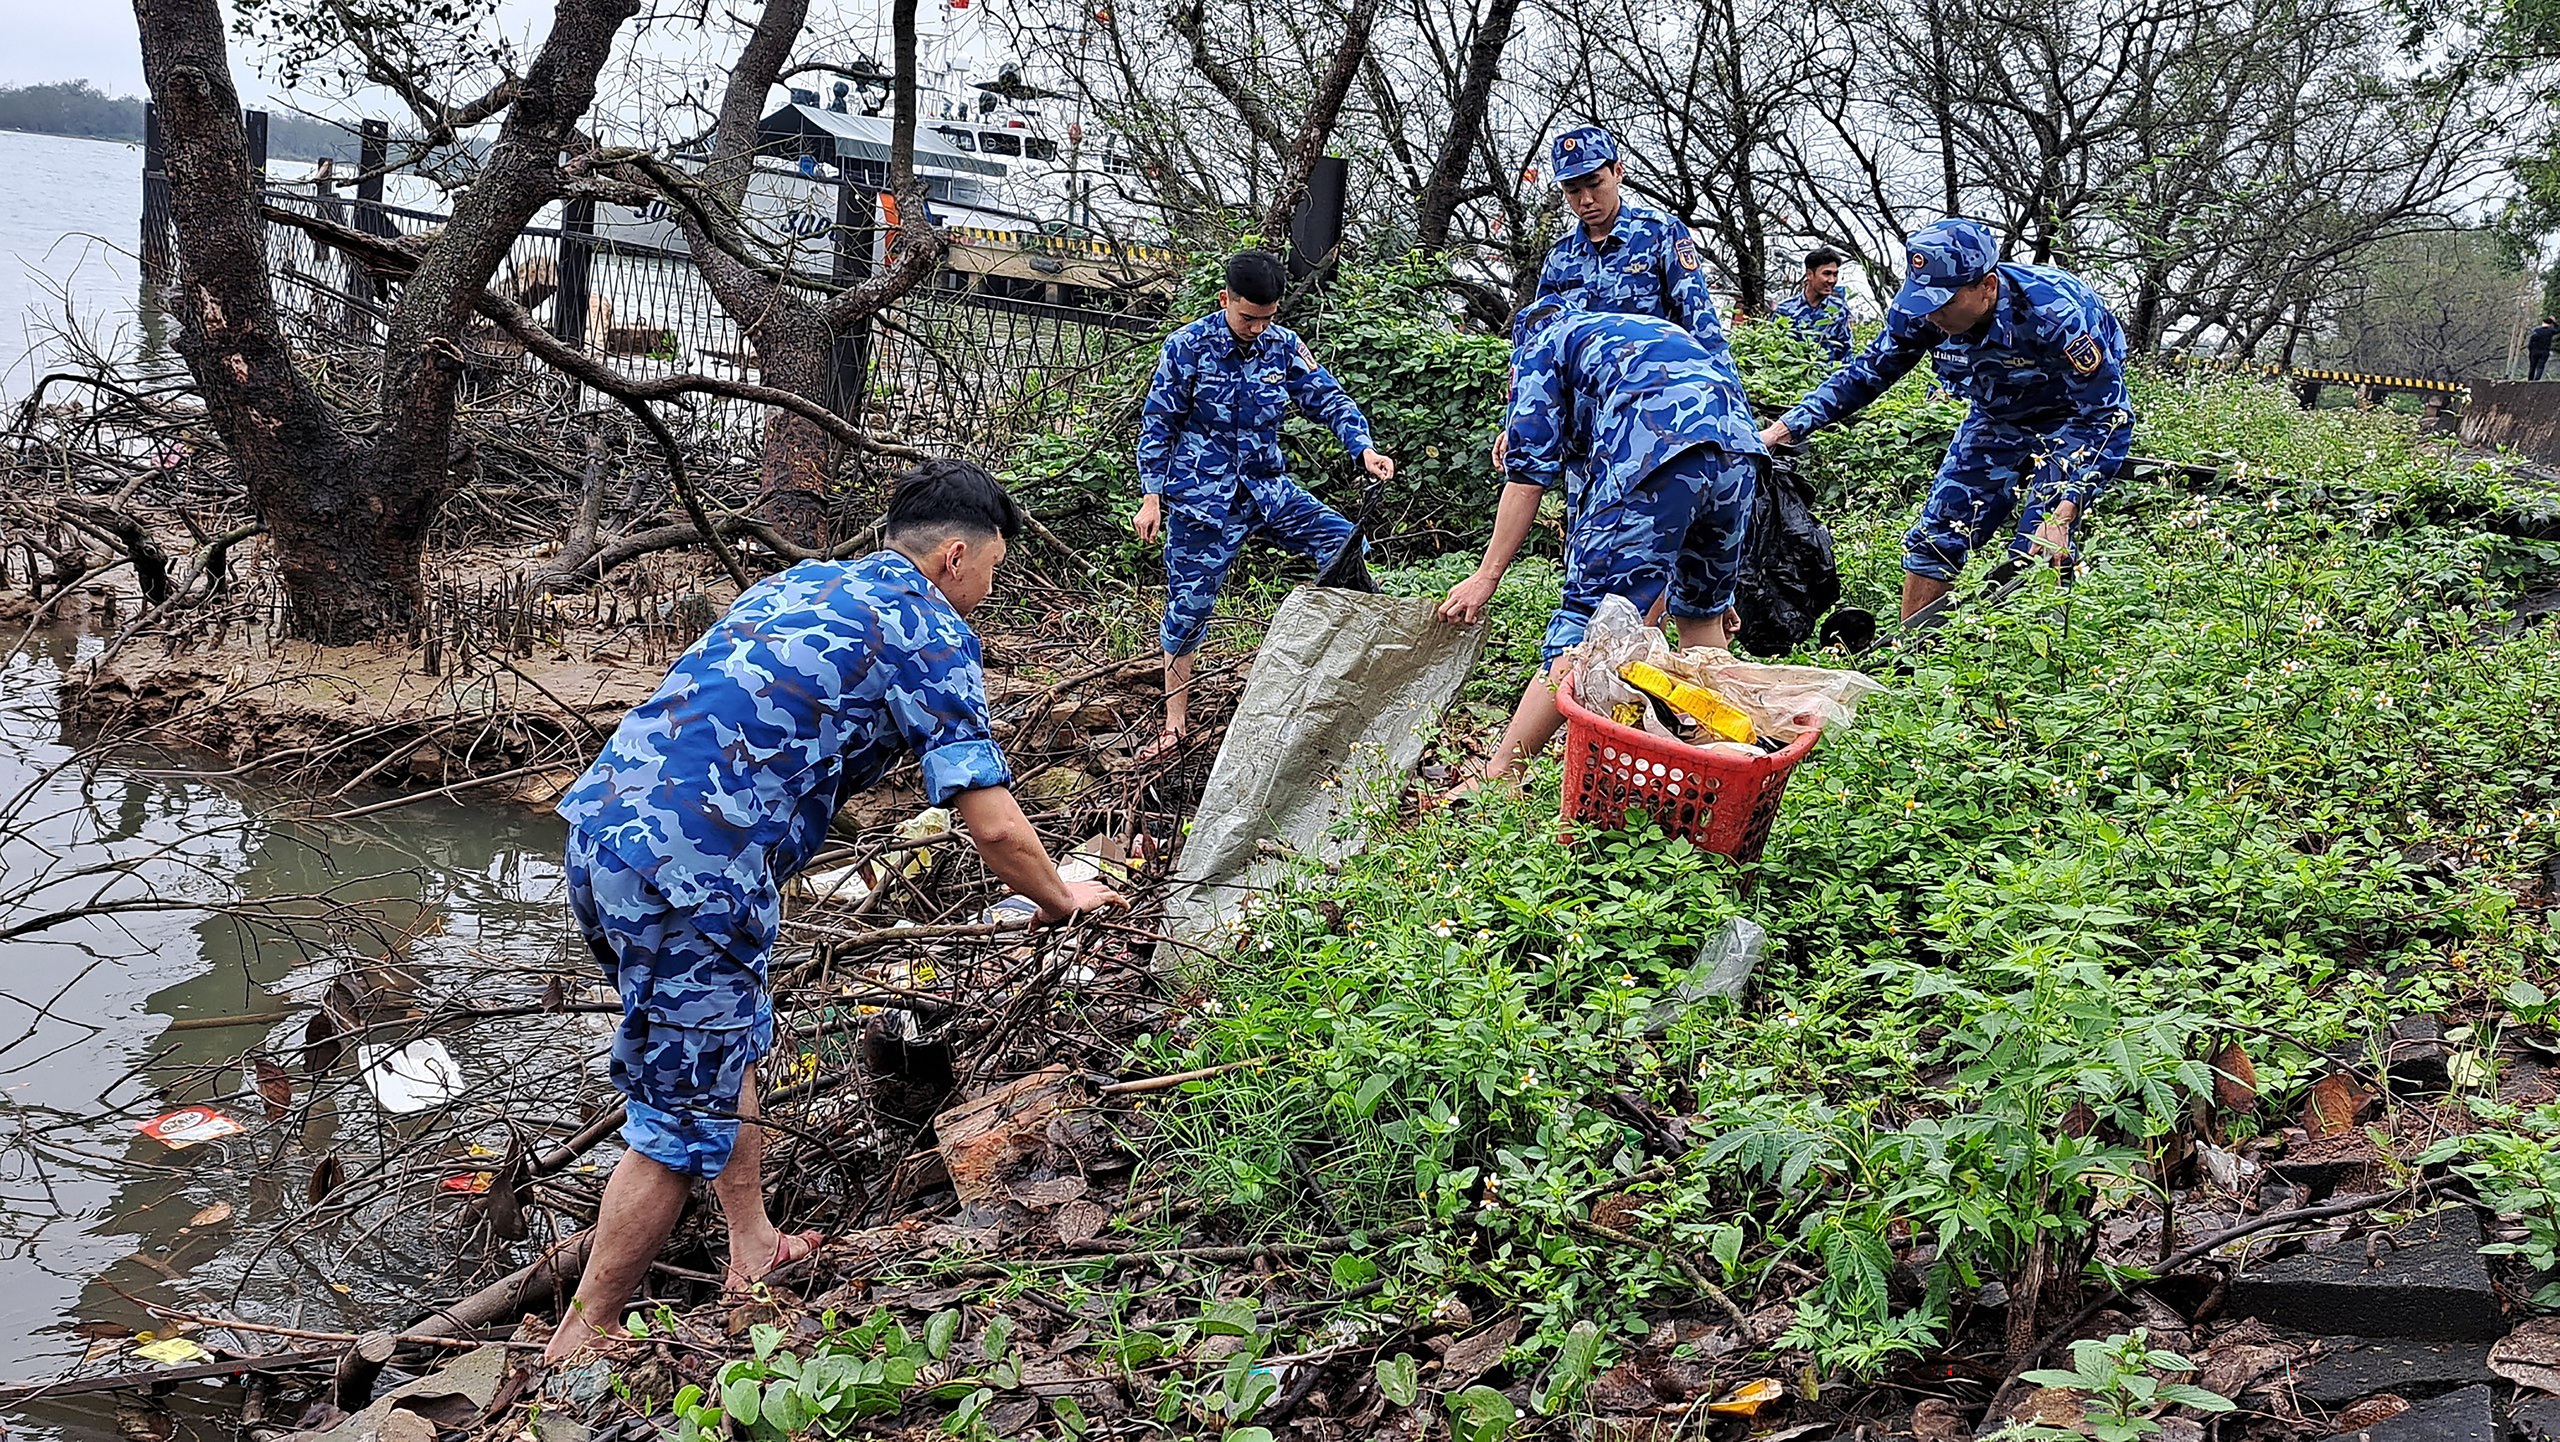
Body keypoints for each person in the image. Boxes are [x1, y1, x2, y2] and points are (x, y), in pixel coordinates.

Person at [542, 460, 1125, 1364]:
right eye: (992, 574)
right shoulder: (927, 629)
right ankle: (586, 1337)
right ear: (956, 558)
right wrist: (1062, 896)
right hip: (695, 878)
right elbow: (996, 827)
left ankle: (753, 1249)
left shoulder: (807, 580)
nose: (985, 594)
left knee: (724, 1041)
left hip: (604, 835)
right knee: (676, 1117)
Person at [1437, 295, 1764, 786]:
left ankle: (1500, 777)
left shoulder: (1541, 347)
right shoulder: (1625, 333)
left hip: (1656, 452)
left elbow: (1527, 479)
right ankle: (1728, 772)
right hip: (1741, 457)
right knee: (1700, 617)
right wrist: (1722, 591)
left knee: (1589, 624)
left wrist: (1487, 577)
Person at [1757, 217, 2133, 621]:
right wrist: (1785, 428)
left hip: (2073, 416)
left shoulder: (2054, 313)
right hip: (1997, 414)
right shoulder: (1920, 311)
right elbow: (1867, 373)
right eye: (1924, 300)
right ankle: (1910, 660)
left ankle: (2035, 661)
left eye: (1943, 302)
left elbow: (2105, 417)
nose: (1931, 314)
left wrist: (2064, 509)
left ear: (1987, 287)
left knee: (2040, 544)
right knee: (1938, 535)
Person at [1132, 250, 1395, 759]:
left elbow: (1329, 400)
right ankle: (1174, 721)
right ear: (1225, 299)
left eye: (1267, 318)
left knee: (1343, 542)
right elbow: (1158, 425)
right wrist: (1151, 497)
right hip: (1202, 499)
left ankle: (1347, 675)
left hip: (1267, 490)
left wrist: (1363, 447)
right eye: (1248, 317)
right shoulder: (1187, 346)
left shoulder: (1282, 345)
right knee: (1188, 607)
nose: (1257, 328)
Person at [1496, 125, 1732, 469]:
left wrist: (1731, 411)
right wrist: (1516, 420)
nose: (1586, 200)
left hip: (1655, 421)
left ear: (1617, 172)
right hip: (1586, 432)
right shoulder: (1559, 259)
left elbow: (1701, 325)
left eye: (1594, 184)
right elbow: (1535, 348)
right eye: (1572, 189)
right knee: (1587, 523)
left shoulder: (1659, 233)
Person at [1770, 246, 1855, 366]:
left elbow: (1846, 354)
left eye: (1835, 274)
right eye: (1826, 274)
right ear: (1810, 274)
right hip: (1794, 379)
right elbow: (1773, 350)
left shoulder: (1839, 310)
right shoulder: (1785, 310)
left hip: (1829, 380)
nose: (1832, 280)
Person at [2530, 315, 2557, 381]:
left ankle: (2530, 380)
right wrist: (2554, 322)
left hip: (2535, 351)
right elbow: (2559, 329)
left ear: (2543, 322)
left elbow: (2531, 341)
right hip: (2544, 351)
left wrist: (2531, 350)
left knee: (2532, 366)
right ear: (2550, 324)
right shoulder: (2550, 331)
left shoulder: (2536, 331)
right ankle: (2536, 380)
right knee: (2540, 366)